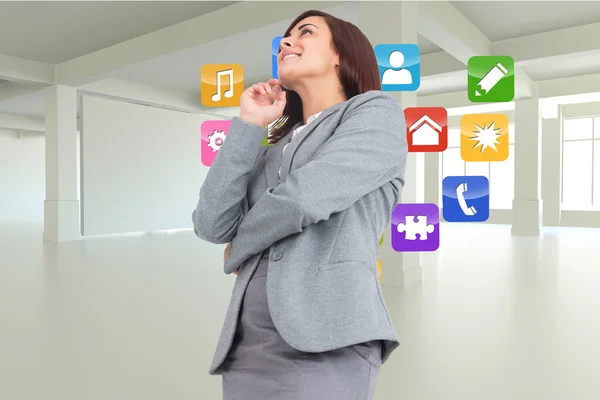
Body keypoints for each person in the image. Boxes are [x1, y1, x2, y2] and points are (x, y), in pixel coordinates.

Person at [192, 9, 408, 400]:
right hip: (246, 342)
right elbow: (211, 223)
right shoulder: (278, 144)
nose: (287, 42)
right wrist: (248, 125)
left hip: (327, 335)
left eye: (305, 32)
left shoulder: (376, 112)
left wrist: (240, 247)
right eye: (285, 36)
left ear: (342, 54)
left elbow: (305, 197)